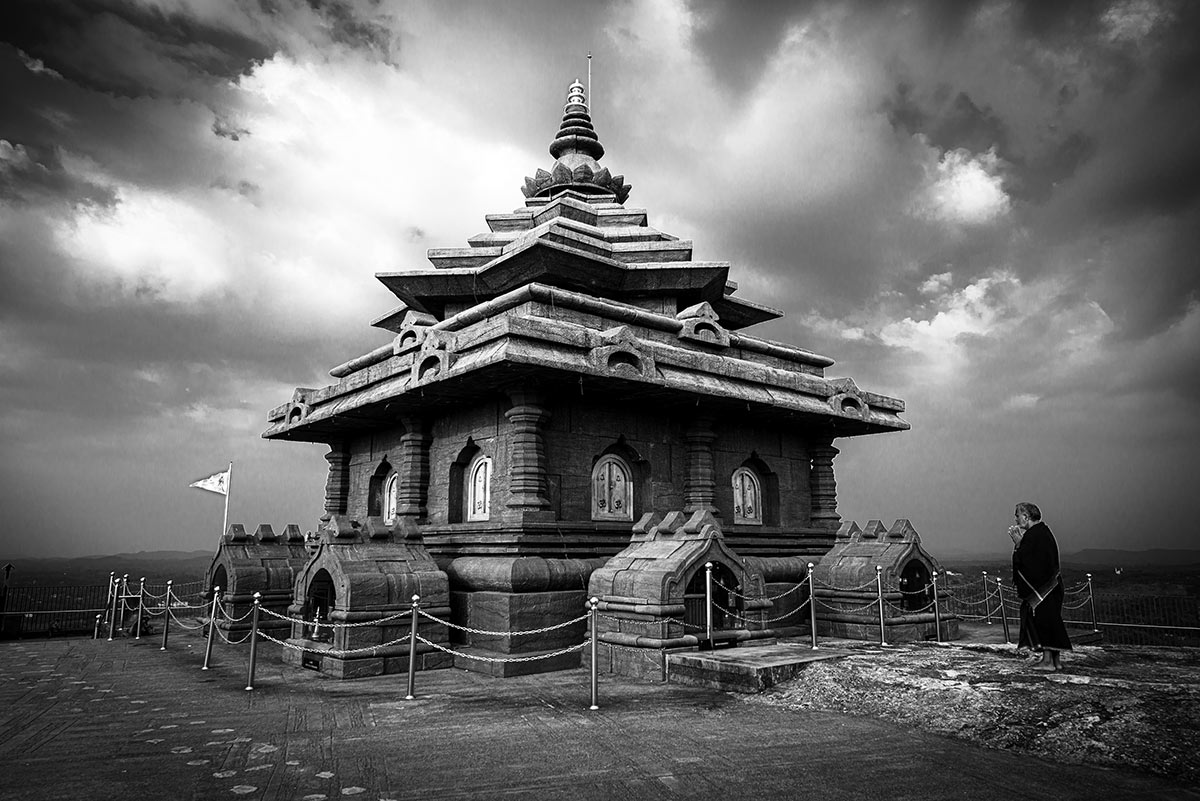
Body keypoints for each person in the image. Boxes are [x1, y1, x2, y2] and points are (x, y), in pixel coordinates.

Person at [1009, 502, 1072, 671]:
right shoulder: (1043, 532)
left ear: (1026, 516)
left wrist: (1018, 544)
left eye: (1017, 515)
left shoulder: (1035, 535)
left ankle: (1048, 661)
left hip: (1043, 589)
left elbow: (1029, 562)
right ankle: (1055, 661)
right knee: (1051, 621)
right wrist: (1021, 544)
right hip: (1052, 586)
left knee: (1045, 621)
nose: (1016, 519)